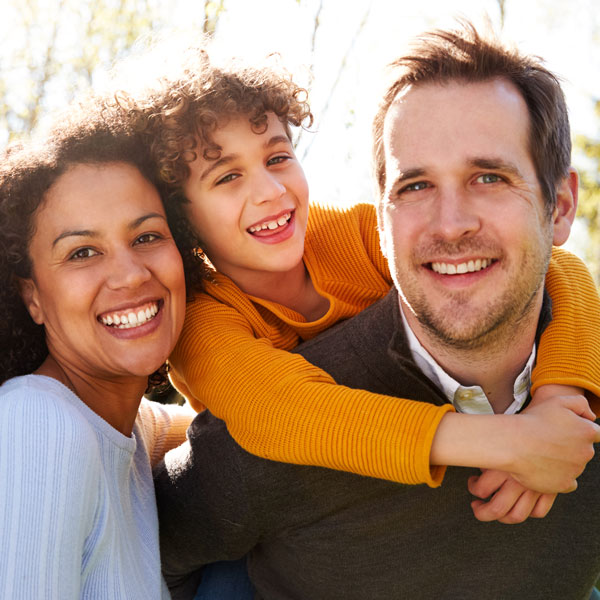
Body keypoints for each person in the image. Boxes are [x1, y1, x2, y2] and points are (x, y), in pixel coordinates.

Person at [154, 23, 600, 599]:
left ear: (560, 205)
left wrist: (563, 390)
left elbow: (560, 269)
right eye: (227, 176)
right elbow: (281, 413)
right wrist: (509, 443)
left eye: (278, 157)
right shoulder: (204, 321)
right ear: (182, 220)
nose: (268, 191)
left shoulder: (353, 234)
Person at [0, 103, 195, 598]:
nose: (131, 274)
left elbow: (227, 421)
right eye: (82, 252)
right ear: (32, 297)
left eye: (147, 236)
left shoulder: (126, 428)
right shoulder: (38, 421)